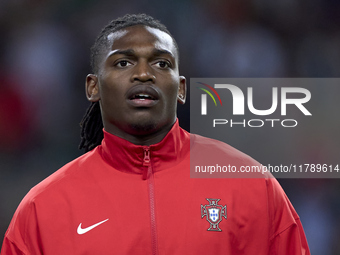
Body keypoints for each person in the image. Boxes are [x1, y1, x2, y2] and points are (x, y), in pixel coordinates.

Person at [1, 14, 310, 254]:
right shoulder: (44, 208)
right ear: (93, 87)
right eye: (123, 62)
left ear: (182, 89)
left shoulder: (251, 185)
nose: (144, 73)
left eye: (161, 63)